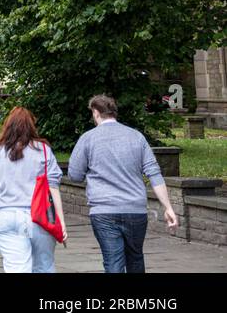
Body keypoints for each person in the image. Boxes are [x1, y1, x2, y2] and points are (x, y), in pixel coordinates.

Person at [67, 94, 179, 273]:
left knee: (113, 263)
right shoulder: (137, 137)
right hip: (135, 210)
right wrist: (168, 208)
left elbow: (74, 175)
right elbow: (154, 173)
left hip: (103, 211)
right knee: (135, 258)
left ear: (96, 113)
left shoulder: (88, 138)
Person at [0, 107, 66, 273]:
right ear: (32, 126)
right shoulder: (43, 150)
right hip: (39, 218)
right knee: (44, 266)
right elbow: (53, 187)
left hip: (7, 216)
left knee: (16, 269)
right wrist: (61, 222)